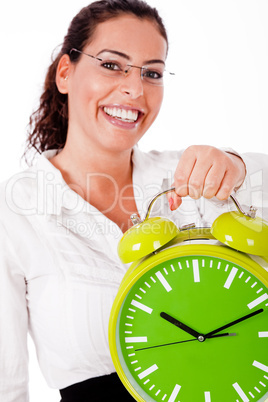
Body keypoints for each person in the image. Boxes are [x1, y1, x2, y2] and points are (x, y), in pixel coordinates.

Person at [0, 0, 267, 401]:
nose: (135, 88)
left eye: (152, 73)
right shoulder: (16, 210)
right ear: (65, 73)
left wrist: (237, 165)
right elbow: (6, 381)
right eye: (112, 65)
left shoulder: (190, 179)